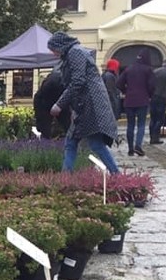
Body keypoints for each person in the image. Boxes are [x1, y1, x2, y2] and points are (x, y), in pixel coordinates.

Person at [47, 31, 120, 174]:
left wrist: (59, 104)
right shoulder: (72, 54)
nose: (53, 53)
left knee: (96, 143)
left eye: (53, 50)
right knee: (71, 142)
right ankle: (65, 177)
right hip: (84, 106)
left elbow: (77, 82)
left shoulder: (75, 53)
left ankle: (117, 175)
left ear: (60, 46)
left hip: (90, 106)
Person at [116, 49, 154, 156]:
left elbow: (118, 83)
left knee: (130, 125)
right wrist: (149, 95)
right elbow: (152, 85)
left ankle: (130, 148)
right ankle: (138, 145)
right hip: (142, 100)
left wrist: (125, 91)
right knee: (141, 124)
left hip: (129, 100)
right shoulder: (148, 69)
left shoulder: (129, 69)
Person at [33, 67, 71, 139]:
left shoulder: (65, 76)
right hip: (44, 101)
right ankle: (45, 143)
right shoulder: (56, 79)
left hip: (57, 98)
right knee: (44, 128)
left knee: (68, 126)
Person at [149, 58, 166, 144]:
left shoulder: (155, 71)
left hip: (153, 97)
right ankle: (155, 137)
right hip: (163, 97)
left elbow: (149, 84)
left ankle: (151, 136)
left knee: (153, 118)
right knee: (159, 118)